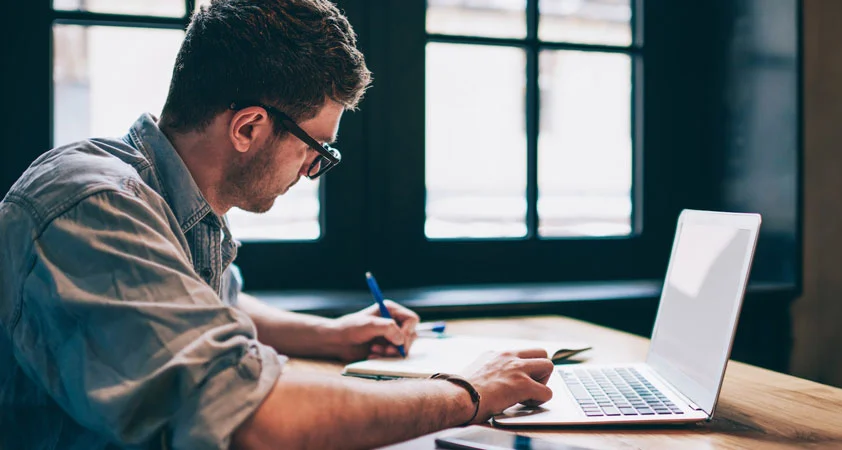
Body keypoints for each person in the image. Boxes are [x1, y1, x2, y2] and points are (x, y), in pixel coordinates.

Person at [0, 0, 554, 448]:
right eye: (318, 149)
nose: (315, 171)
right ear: (248, 128)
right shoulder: (93, 205)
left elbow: (206, 306)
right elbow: (253, 420)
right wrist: (470, 392)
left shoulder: (170, 201)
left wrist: (331, 335)